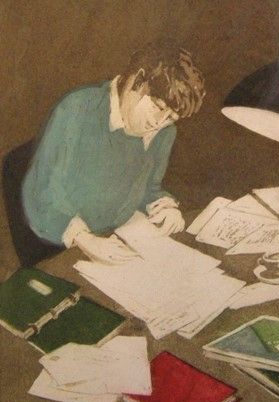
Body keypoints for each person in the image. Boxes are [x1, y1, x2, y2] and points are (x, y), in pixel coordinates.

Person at [21, 41, 205, 264]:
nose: (159, 122)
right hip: (61, 246)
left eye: (171, 118)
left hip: (121, 242)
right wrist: (84, 239)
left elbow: (148, 188)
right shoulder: (78, 109)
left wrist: (164, 206)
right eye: (158, 107)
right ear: (138, 81)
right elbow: (43, 194)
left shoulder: (164, 132)